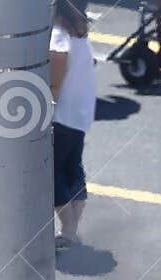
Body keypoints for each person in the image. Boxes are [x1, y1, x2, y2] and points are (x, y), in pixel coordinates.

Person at [50, 0, 96, 250]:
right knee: (73, 169)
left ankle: (67, 230)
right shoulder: (79, 32)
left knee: (53, 173)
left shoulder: (58, 37)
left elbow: (55, 85)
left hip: (63, 116)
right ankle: (71, 231)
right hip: (80, 115)